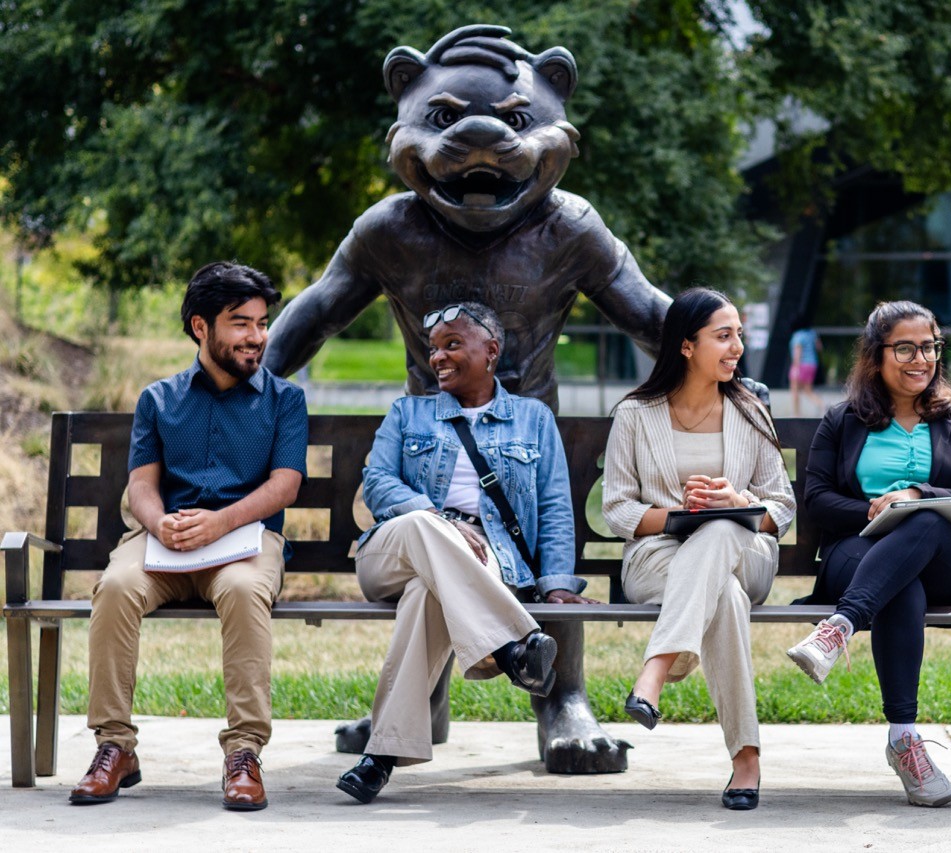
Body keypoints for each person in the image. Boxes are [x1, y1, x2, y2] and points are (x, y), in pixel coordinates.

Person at [70, 263, 308, 810]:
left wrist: (220, 522)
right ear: (201, 327)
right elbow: (141, 487)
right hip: (165, 545)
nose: (256, 337)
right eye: (240, 323)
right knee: (115, 586)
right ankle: (114, 747)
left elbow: (285, 485)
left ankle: (244, 753)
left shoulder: (284, 400)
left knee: (247, 592)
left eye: (261, 322)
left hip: (245, 544)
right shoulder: (159, 399)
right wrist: (160, 524)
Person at [336, 301, 593, 804]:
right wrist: (441, 521)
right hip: (394, 547)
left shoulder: (532, 419)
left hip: (481, 562)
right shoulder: (408, 412)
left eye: (452, 345)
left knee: (426, 596)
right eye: (434, 349)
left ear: (491, 351)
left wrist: (557, 583)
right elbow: (378, 484)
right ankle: (508, 647)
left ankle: (380, 758)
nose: (437, 358)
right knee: (423, 531)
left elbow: (556, 506)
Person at [784, 300, 951, 808]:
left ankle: (839, 628)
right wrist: (877, 512)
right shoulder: (844, 420)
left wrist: (916, 497)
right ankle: (905, 741)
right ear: (876, 355)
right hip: (857, 555)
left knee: (923, 519)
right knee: (901, 584)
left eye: (928, 347)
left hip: (946, 560)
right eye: (905, 347)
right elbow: (815, 500)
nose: (919, 358)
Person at [602, 287, 796, 811]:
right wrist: (679, 517)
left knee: (724, 527)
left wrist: (737, 501)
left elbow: (782, 506)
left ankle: (656, 670)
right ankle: (746, 759)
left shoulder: (750, 410)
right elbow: (617, 509)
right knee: (725, 599)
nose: (737, 347)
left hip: (744, 550)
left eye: (738, 335)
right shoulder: (636, 415)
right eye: (723, 336)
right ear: (686, 346)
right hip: (658, 559)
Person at [788, 320, 824, 416]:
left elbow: (797, 352)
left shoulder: (798, 335)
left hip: (801, 365)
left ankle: (796, 414)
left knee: (795, 389)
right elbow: (819, 347)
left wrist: (796, 367)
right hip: (812, 365)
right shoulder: (812, 334)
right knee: (807, 390)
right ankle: (821, 404)